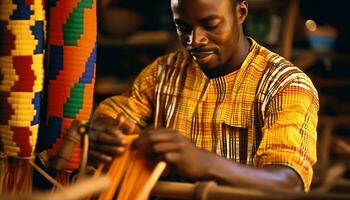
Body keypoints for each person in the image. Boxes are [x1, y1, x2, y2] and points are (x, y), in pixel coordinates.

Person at [89, 0, 319, 192]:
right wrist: (104, 132)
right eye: (183, 27)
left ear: (240, 13)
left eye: (211, 25)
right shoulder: (162, 73)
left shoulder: (285, 84)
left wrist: (202, 162)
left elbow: (290, 182)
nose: (195, 40)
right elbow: (110, 115)